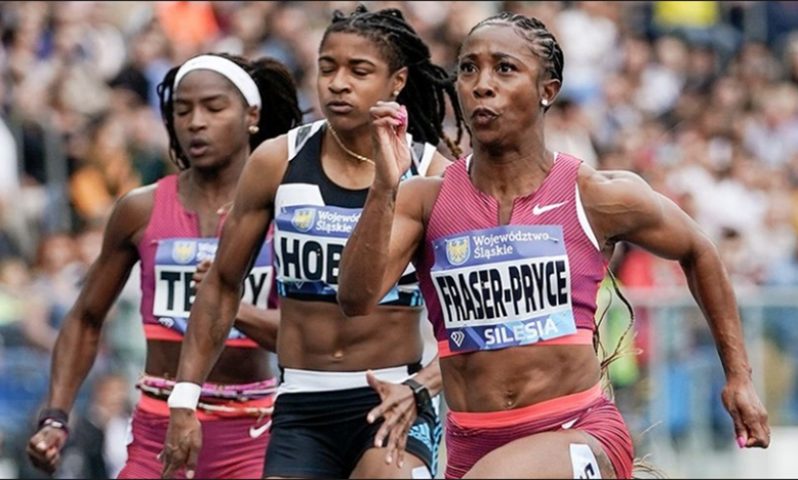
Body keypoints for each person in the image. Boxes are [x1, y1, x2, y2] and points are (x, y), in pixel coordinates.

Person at [337, 12, 771, 479]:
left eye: (505, 68)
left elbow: (698, 249)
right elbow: (356, 299)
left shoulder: (596, 194)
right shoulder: (425, 199)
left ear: (548, 89)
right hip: (470, 446)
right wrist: (384, 186)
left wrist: (739, 379)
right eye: (468, 68)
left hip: (580, 429)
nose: (482, 84)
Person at [161, 6, 465, 479]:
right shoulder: (277, 160)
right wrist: (185, 397)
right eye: (327, 68)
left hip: (391, 393)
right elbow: (222, 283)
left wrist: (423, 387)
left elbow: (471, 318)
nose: (338, 83)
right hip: (302, 399)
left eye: (359, 71)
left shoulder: (432, 175)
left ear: (397, 82)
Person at [26, 52, 302, 478]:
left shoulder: (286, 210)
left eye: (213, 107)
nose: (195, 122)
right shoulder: (141, 209)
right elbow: (85, 317)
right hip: (159, 430)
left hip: (251, 433)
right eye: (181, 110)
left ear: (252, 115)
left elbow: (306, 339)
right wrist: (56, 417)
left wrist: (228, 303)